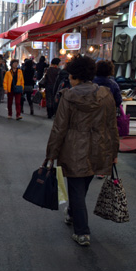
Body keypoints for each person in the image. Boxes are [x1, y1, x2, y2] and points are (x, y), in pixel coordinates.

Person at [46, 55, 119, 246]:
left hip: (74, 148)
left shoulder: (69, 96)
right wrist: (114, 152)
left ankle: (82, 232)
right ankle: (72, 213)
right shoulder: (105, 95)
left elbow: (59, 128)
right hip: (99, 147)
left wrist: (51, 154)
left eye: (70, 75)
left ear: (76, 77)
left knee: (77, 189)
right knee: (82, 186)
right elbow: (112, 125)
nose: (69, 79)